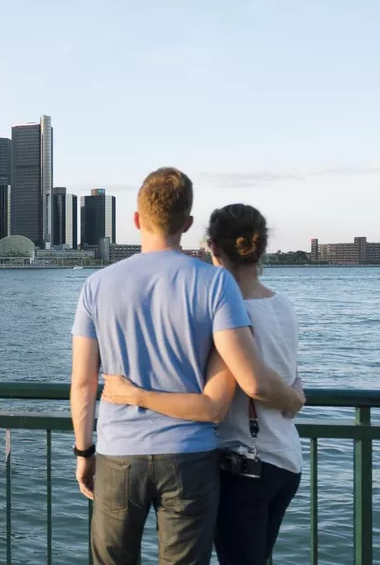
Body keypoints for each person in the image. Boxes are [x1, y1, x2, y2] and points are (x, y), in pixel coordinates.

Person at [70, 168, 304, 565]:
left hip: (118, 451)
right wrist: (293, 396)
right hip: (190, 456)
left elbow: (82, 384)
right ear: (188, 223)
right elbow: (235, 383)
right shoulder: (215, 284)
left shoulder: (97, 284)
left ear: (137, 220)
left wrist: (84, 451)